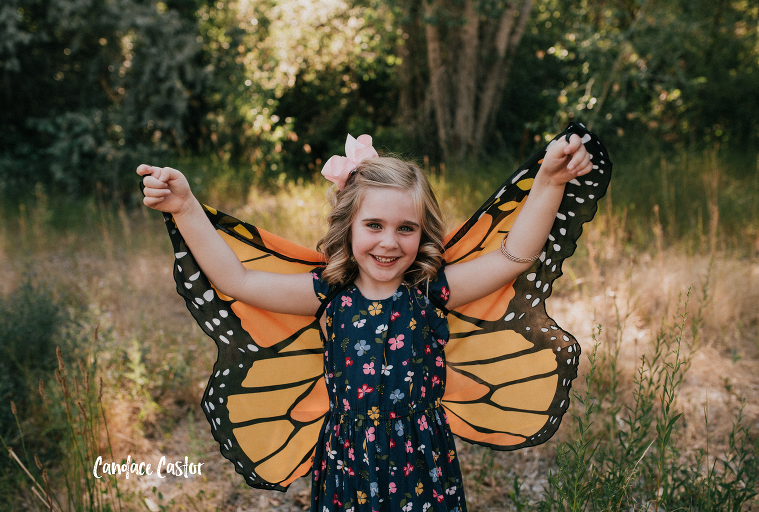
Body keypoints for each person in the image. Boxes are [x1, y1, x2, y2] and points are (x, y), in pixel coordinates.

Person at [137, 132, 594, 511]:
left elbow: (514, 256)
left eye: (406, 228)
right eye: (373, 225)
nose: (389, 243)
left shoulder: (431, 294)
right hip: (347, 463)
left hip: (421, 462)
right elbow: (234, 277)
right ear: (348, 226)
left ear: (423, 232)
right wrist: (184, 207)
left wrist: (550, 181)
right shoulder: (327, 295)